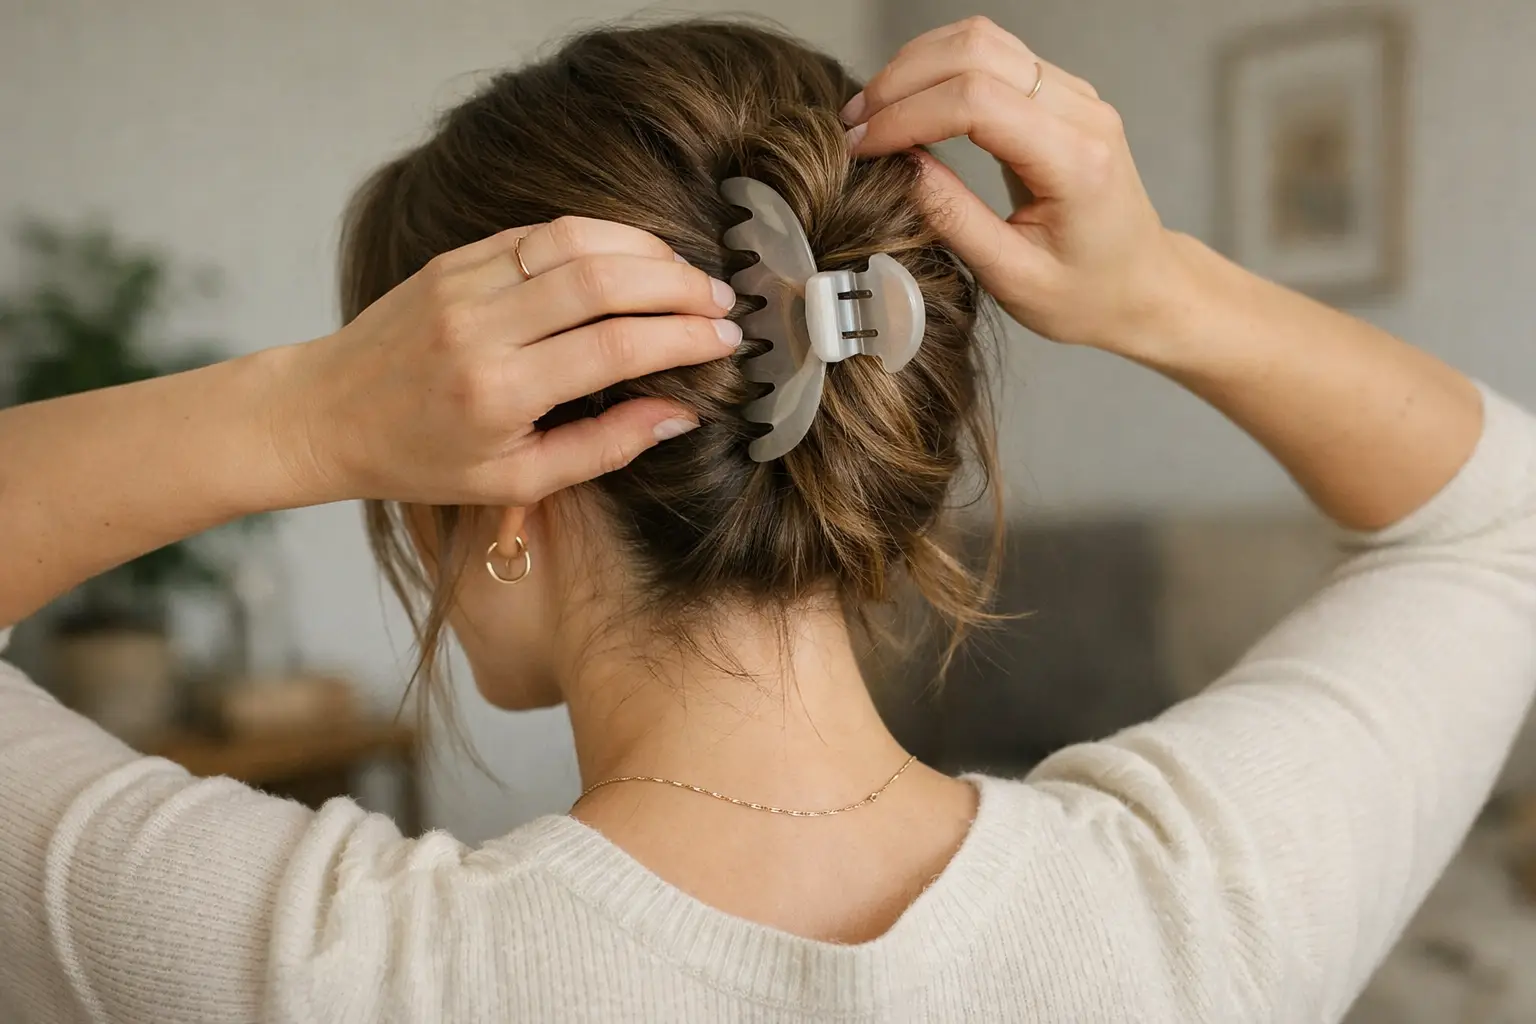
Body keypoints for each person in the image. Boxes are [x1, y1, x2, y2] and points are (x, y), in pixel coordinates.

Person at [1, 16, 1531, 1023]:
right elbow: (1497, 524)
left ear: (498, 493)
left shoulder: (304, 966)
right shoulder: (1206, 911)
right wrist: (1160, 290)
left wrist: (297, 412)